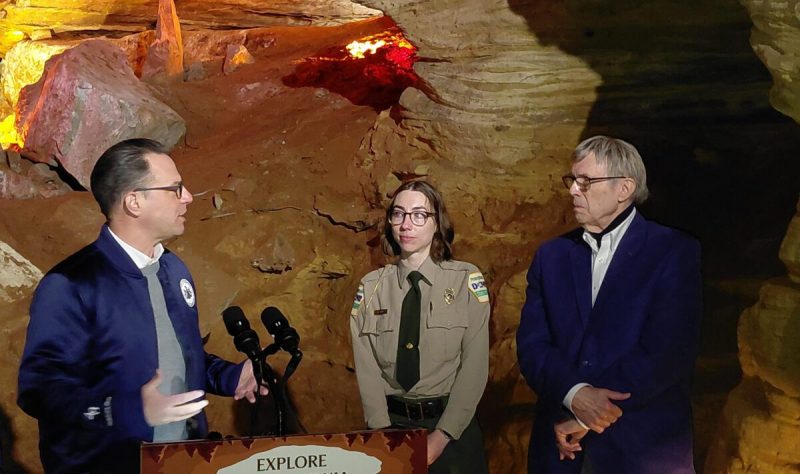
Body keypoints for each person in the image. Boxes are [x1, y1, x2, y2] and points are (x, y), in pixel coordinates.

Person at [17, 138, 266, 473]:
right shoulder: (70, 284)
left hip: (182, 461)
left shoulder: (174, 270)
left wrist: (231, 376)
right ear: (134, 201)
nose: (188, 197)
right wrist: (125, 411)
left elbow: (178, 354)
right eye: (175, 189)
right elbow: (39, 390)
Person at [516, 135, 702, 473]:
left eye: (586, 181)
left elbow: (669, 349)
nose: (574, 190)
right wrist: (575, 395)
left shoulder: (672, 251)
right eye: (572, 180)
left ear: (624, 189)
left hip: (643, 450)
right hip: (561, 454)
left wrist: (590, 413)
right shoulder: (551, 257)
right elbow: (533, 346)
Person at [350, 180, 490, 473]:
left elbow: (474, 366)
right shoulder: (372, 287)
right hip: (391, 429)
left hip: (452, 430)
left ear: (437, 222)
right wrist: (382, 431)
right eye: (398, 214)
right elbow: (367, 367)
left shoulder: (464, 280)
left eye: (418, 215)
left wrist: (444, 434)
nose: (406, 225)